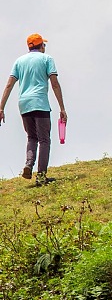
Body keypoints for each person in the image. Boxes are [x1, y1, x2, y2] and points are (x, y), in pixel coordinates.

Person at [0, 33, 67, 186]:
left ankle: (29, 164)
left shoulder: (19, 61)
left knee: (31, 137)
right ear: (41, 46)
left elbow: (9, 85)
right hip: (40, 103)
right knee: (44, 140)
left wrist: (1, 107)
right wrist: (62, 108)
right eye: (44, 45)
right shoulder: (47, 59)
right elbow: (55, 84)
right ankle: (41, 177)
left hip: (24, 105)